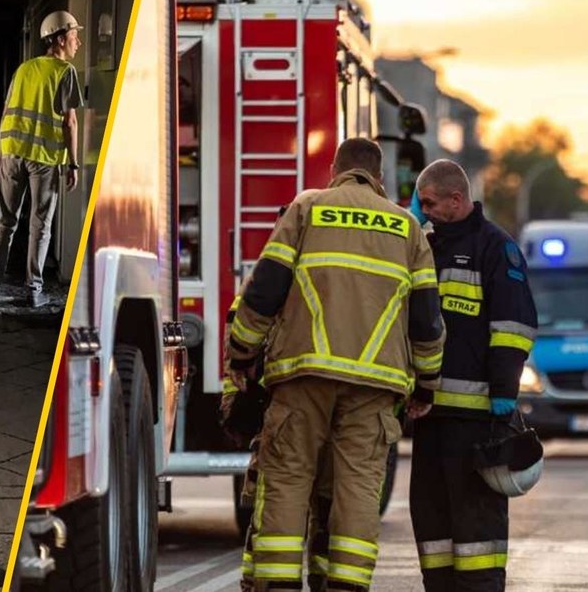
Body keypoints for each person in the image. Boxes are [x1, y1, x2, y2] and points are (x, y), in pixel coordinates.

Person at [225, 137, 445, 591]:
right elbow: (426, 323)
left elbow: (263, 292)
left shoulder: (307, 208)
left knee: (287, 479)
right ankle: (346, 585)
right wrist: (426, 387)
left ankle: (278, 584)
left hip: (302, 377)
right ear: (379, 178)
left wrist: (241, 356)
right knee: (359, 488)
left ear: (335, 171)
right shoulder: (407, 229)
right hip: (376, 388)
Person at [409, 160, 538, 592]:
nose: (424, 210)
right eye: (420, 203)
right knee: (432, 520)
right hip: (428, 415)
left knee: (476, 523)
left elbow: (514, 325)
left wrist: (504, 393)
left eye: (429, 203)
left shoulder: (495, 248)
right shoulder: (423, 246)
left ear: (456, 199)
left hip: (477, 418)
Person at [0, 11, 85, 308]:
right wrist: (72, 163)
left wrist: (0, 157)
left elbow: (6, 114)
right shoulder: (65, 72)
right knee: (40, 225)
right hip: (43, 158)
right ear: (61, 39)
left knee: (6, 221)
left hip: (12, 152)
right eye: (75, 36)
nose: (78, 42)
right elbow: (70, 123)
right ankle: (33, 290)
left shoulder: (23, 69)